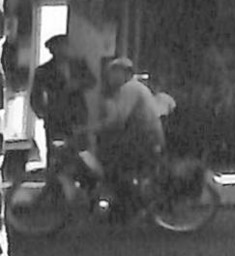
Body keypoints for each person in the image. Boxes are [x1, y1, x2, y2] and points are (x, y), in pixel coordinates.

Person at [93, 58, 166, 217]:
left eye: (114, 73)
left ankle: (125, 206)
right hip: (146, 136)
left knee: (113, 164)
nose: (110, 77)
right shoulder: (133, 88)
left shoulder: (130, 88)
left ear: (125, 73)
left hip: (144, 138)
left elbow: (119, 119)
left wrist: (92, 128)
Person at [29, 35, 91, 155]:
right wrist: (42, 112)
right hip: (56, 119)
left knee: (80, 153)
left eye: (65, 46)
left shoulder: (78, 65)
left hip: (78, 117)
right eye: (59, 47)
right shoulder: (43, 71)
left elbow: (91, 80)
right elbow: (35, 95)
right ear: (53, 50)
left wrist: (78, 84)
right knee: (57, 154)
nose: (64, 49)